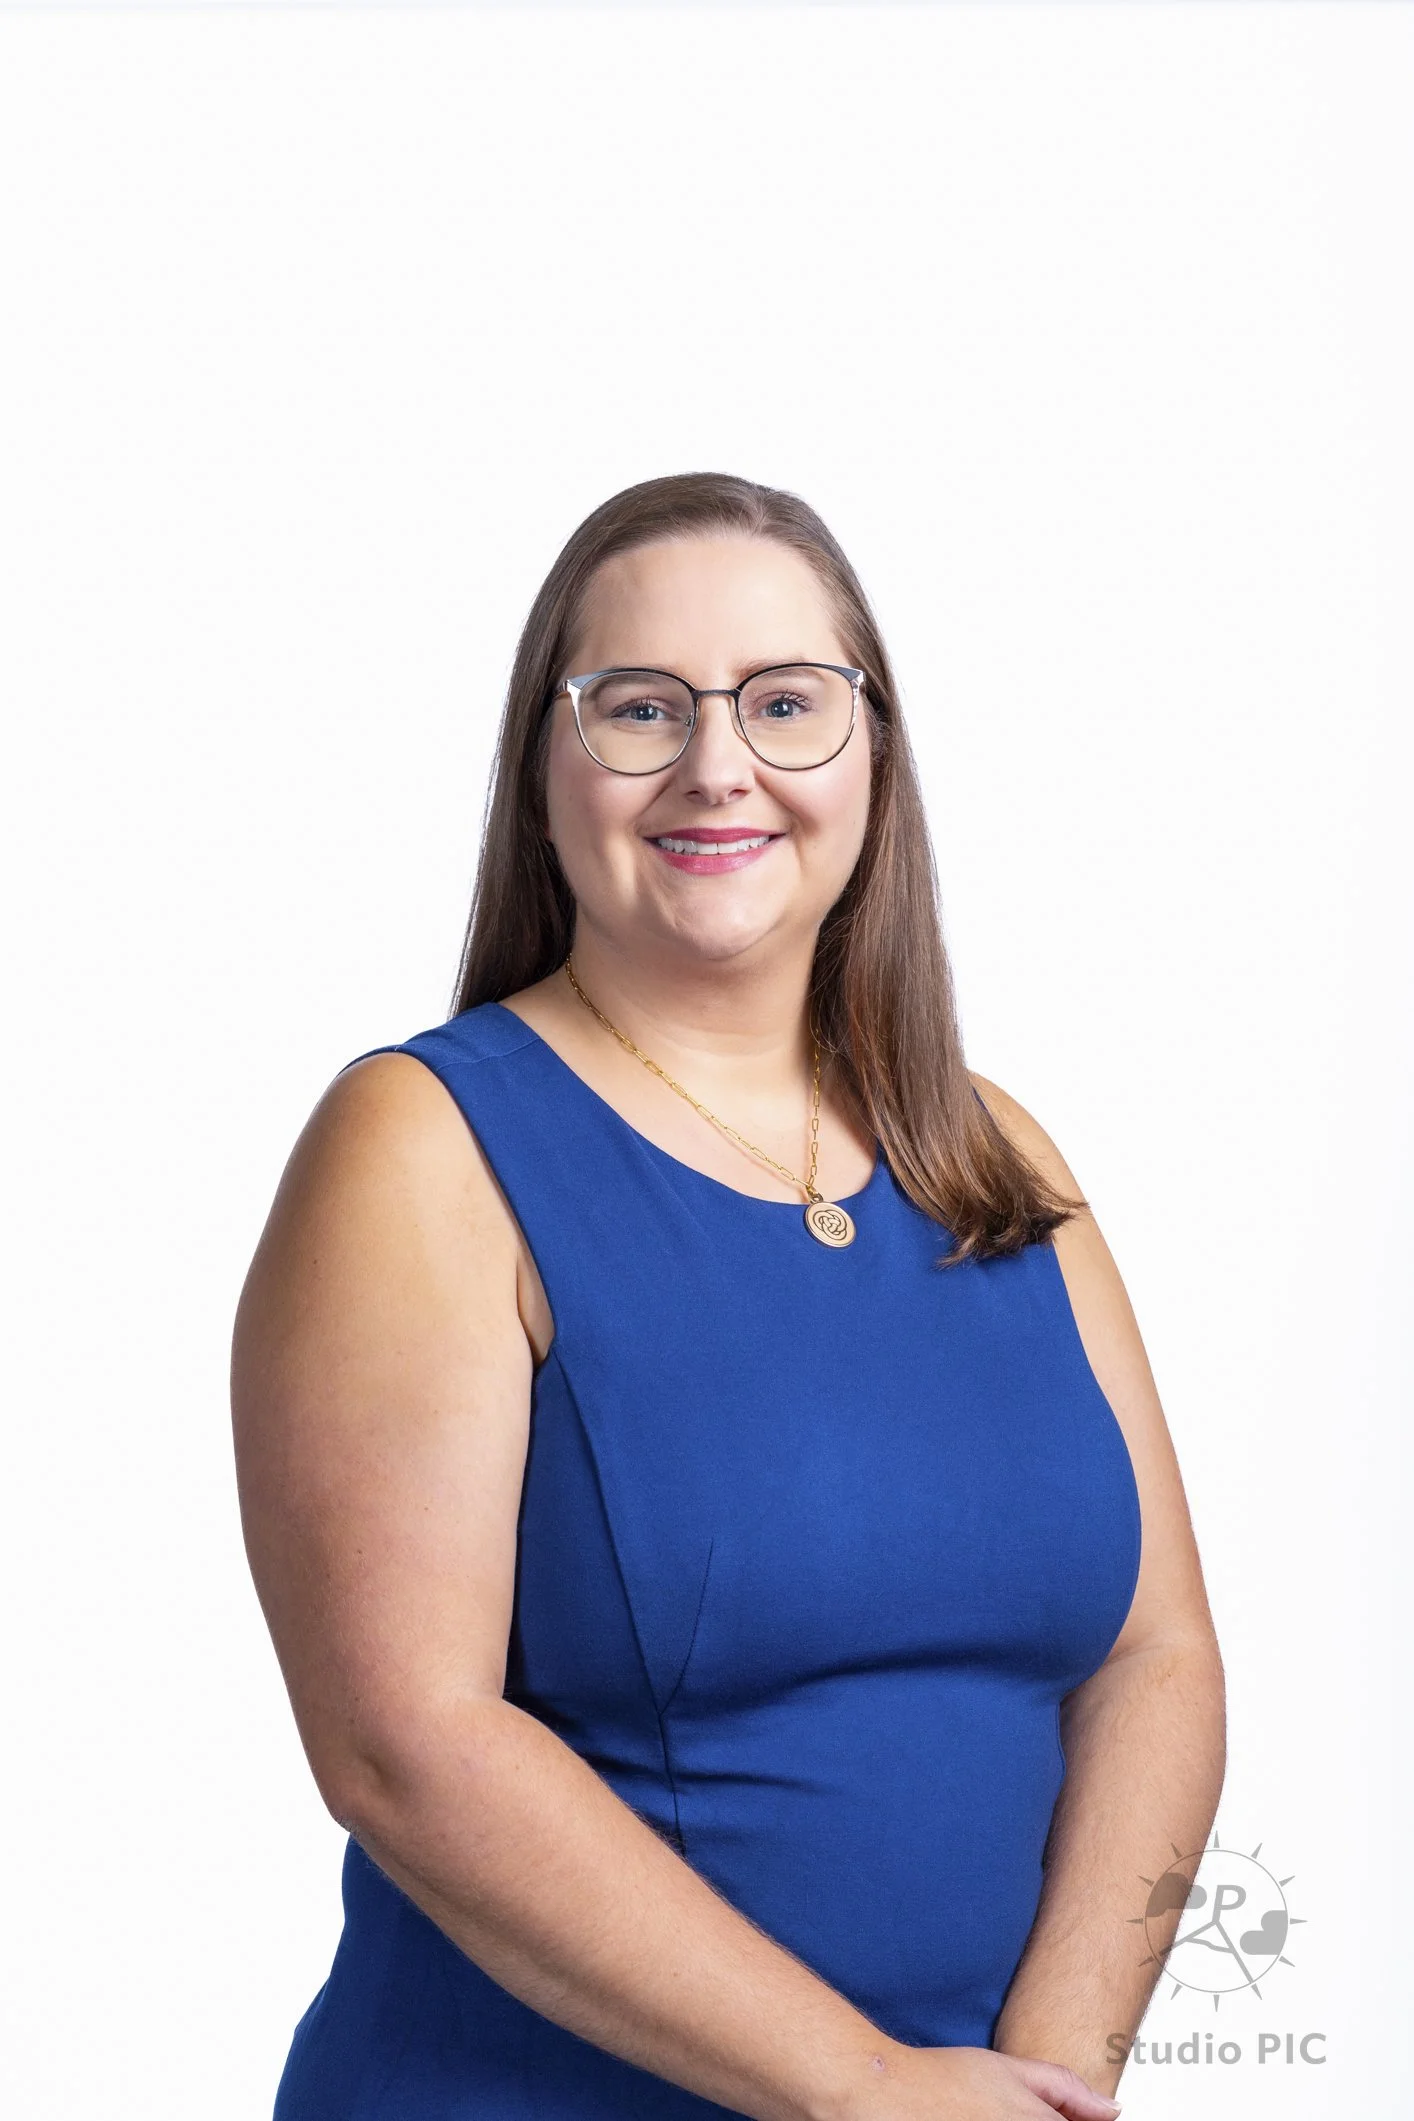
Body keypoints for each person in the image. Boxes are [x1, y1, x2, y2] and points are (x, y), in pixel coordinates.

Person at [232, 472, 1226, 2121]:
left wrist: (1039, 2083)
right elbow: (404, 1742)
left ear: (873, 759)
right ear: (543, 772)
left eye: (785, 702)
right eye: (637, 707)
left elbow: (1158, 1656)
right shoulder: (420, 1146)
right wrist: (859, 2088)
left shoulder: (988, 1148)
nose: (717, 764)